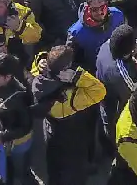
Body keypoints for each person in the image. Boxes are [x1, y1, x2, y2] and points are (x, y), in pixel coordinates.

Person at [31, 44, 107, 185]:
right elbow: (99, 91)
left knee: (54, 164)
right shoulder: (69, 97)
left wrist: (40, 59)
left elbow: (37, 63)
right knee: (75, 168)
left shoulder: (38, 78)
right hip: (71, 132)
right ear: (65, 69)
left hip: (50, 128)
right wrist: (77, 76)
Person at [0, 54, 35, 185]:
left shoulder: (20, 96)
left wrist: (3, 137)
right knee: (4, 171)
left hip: (17, 143)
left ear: (8, 77)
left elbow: (25, 127)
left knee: (21, 172)